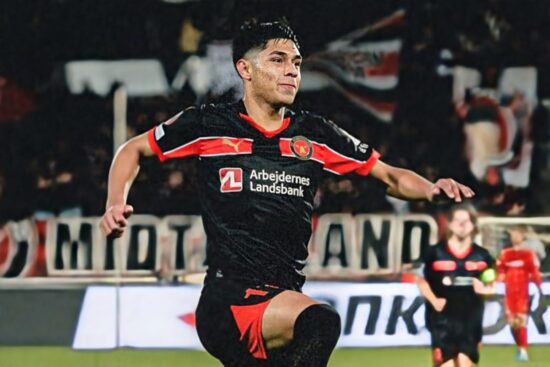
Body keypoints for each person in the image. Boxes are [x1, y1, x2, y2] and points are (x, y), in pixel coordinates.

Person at [100, 19, 475, 367]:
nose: (292, 70)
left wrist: (431, 189)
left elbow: (389, 176)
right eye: (277, 60)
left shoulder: (315, 134)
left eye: (295, 62)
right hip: (228, 302)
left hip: (279, 303)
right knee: (320, 322)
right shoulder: (208, 124)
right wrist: (115, 203)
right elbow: (132, 149)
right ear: (245, 69)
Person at [417, 205, 494, 367]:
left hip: (471, 320)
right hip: (442, 321)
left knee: (465, 364)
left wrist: (485, 289)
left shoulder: (483, 256)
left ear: (473, 225)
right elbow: (421, 280)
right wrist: (434, 300)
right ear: (450, 224)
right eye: (457, 221)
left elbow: (493, 283)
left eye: (466, 221)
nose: (462, 225)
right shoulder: (434, 253)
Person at [497, 225, 545, 362]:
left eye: (517, 234)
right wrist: (495, 282)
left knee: (521, 321)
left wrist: (540, 287)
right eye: (513, 234)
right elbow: (500, 271)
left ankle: (523, 350)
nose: (515, 236)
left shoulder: (528, 254)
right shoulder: (505, 253)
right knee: (512, 323)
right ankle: (520, 347)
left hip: (522, 293)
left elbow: (535, 273)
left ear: (522, 235)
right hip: (509, 293)